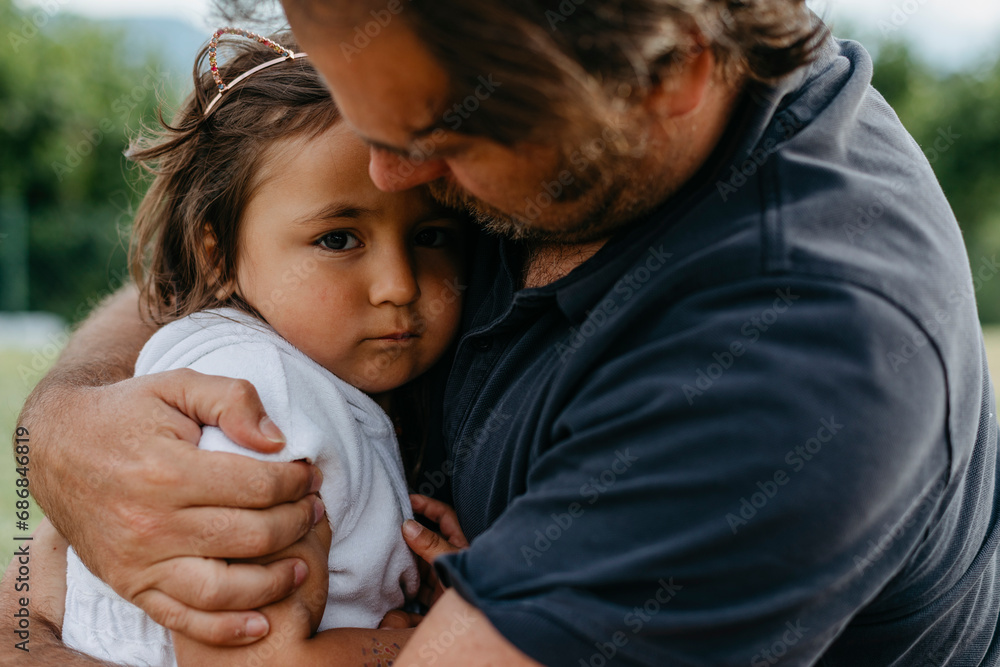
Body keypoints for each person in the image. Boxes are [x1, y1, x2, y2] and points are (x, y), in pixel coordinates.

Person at [5, 0, 998, 665]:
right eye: (372, 130)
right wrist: (67, 420)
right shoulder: (515, 92)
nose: (390, 176)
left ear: (669, 76)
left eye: (436, 142)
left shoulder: (790, 364)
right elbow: (259, 244)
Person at [19, 27, 474, 667]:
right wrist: (444, 637)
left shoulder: (307, 377)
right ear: (219, 254)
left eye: (431, 235)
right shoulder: (256, 392)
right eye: (339, 240)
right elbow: (247, 659)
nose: (399, 286)